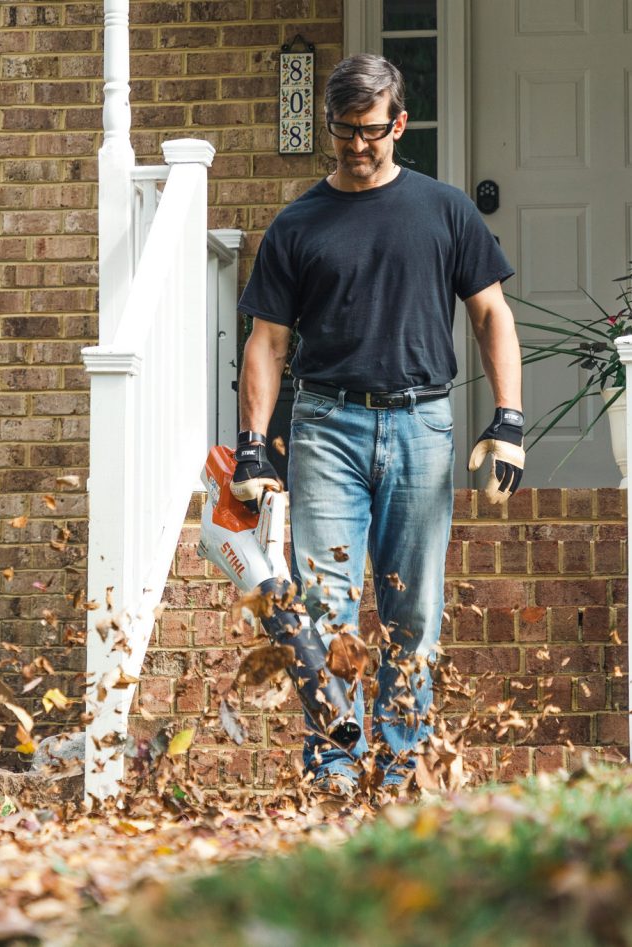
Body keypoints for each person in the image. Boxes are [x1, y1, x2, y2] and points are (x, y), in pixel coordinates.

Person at [231, 53, 525, 793]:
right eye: (343, 132)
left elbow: (491, 312)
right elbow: (266, 342)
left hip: (422, 425)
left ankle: (399, 763)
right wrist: (252, 448)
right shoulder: (298, 224)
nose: (357, 147)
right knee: (325, 606)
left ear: (399, 122)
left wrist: (510, 418)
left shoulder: (444, 209)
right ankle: (333, 760)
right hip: (326, 425)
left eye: (369, 131)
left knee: (412, 607)